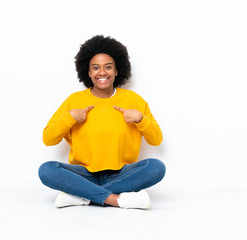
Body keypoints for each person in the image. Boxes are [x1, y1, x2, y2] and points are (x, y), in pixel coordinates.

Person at [38, 35, 166, 209]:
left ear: (116, 71)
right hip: (84, 174)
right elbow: (48, 139)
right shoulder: (74, 101)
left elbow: (156, 140)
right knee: (46, 170)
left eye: (108, 67)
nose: (102, 72)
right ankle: (115, 199)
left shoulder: (134, 100)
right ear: (88, 72)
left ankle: (81, 195)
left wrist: (140, 119)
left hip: (122, 173)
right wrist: (69, 118)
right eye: (95, 68)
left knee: (156, 167)